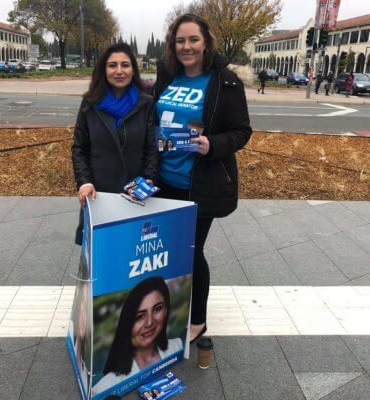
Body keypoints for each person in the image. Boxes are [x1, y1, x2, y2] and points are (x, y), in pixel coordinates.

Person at [154, 13, 252, 343]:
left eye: (193, 40)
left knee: (192, 253)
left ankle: (197, 320)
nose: (187, 47)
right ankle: (172, 308)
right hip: (162, 183)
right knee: (168, 252)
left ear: (206, 42)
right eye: (180, 40)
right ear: (173, 45)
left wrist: (212, 145)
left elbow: (242, 131)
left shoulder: (225, 81)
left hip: (199, 186)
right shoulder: (167, 76)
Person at [72, 43, 158, 245]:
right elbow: (79, 148)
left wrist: (149, 179)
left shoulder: (146, 103)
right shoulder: (90, 103)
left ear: (133, 70)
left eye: (125, 65)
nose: (119, 71)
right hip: (98, 194)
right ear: (104, 70)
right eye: (112, 65)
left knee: (131, 253)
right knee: (100, 256)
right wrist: (84, 182)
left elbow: (152, 147)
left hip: (135, 194)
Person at [91, 277, 183, 394]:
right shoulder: (106, 386)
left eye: (157, 309)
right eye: (139, 316)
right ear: (127, 324)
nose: (150, 322)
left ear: (166, 310)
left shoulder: (177, 346)